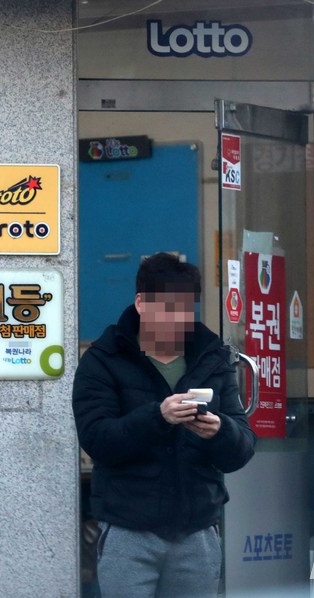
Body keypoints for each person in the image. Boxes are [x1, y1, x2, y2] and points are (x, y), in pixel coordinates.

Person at [72, 252, 256, 598]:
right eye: (167, 308)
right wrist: (158, 417)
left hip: (197, 531)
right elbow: (97, 440)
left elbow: (242, 449)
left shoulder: (212, 357)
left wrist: (219, 431)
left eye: (186, 308)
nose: (178, 318)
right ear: (141, 303)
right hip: (128, 530)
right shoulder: (103, 359)